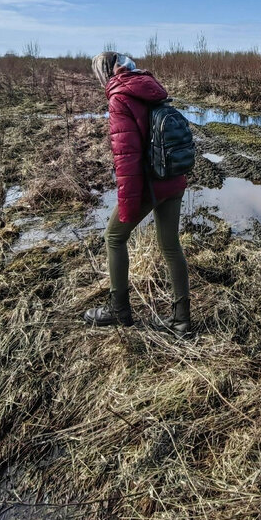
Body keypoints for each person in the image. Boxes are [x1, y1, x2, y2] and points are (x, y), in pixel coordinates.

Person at [83, 52, 191, 335]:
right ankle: (181, 320)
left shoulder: (119, 98)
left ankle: (118, 311)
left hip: (148, 183)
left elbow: (127, 158)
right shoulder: (149, 86)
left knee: (114, 237)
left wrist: (128, 204)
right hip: (173, 177)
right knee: (170, 246)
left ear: (104, 74)